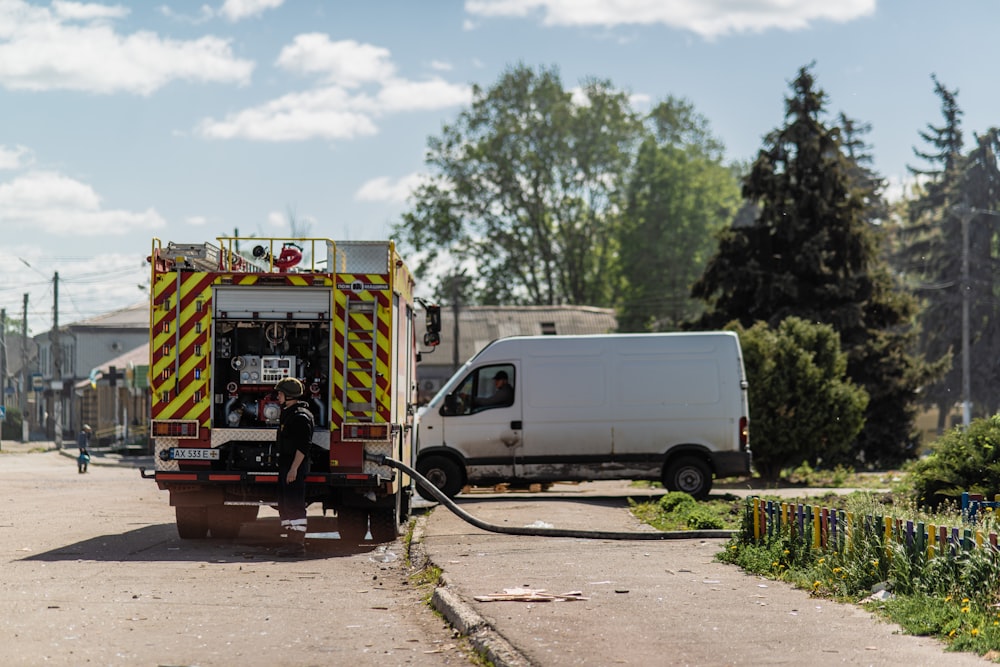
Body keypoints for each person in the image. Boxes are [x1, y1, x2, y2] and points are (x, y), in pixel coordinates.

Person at [274, 378, 314, 557]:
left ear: (289, 395)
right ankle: (290, 541)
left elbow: (303, 446)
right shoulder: (289, 413)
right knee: (284, 504)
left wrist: (293, 469)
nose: (278, 396)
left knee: (294, 505)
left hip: (293, 468)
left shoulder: (300, 417)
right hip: (286, 466)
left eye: (280, 393)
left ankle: (297, 544)